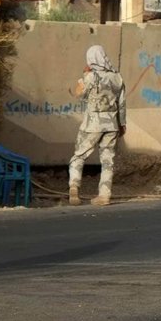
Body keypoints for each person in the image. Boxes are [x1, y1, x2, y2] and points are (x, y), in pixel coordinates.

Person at [68, 45, 126, 207]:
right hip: (111, 124)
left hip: (92, 124)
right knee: (108, 161)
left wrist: (83, 77)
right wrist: (122, 124)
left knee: (79, 156)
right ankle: (104, 195)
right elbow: (122, 104)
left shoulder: (90, 77)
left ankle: (74, 187)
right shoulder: (117, 77)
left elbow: (79, 95)